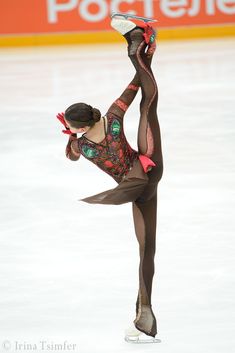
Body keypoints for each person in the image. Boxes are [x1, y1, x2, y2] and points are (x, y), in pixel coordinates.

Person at [56, 14, 163, 343]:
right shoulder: (113, 115)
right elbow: (135, 87)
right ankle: (137, 43)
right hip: (149, 163)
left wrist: (70, 139)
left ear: (78, 125)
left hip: (136, 184)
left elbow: (70, 156)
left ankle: (145, 311)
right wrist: (144, 56)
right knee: (148, 106)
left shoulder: (83, 145)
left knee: (145, 250)